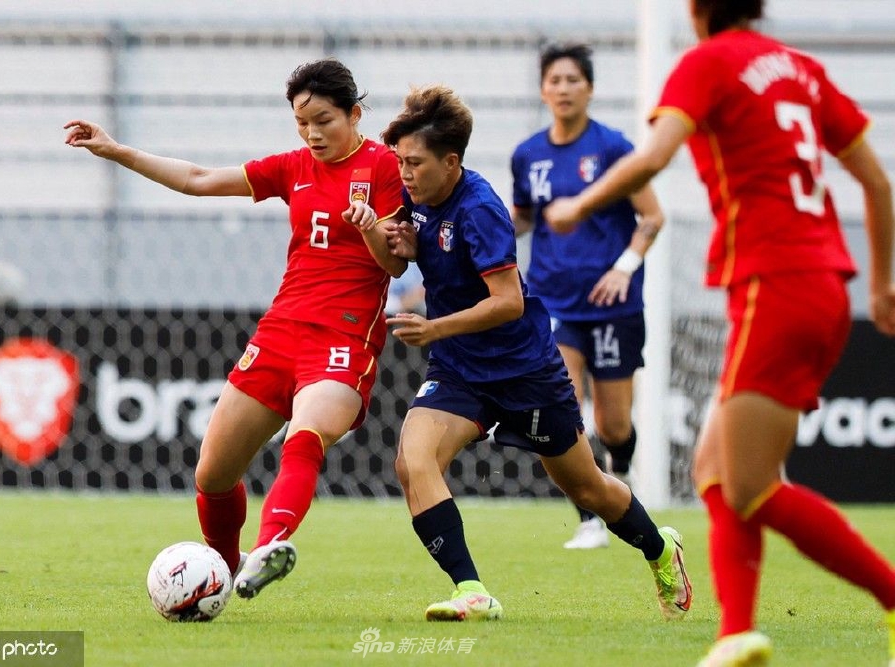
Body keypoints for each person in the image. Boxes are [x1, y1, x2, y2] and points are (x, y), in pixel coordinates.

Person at [543, 1, 895, 664]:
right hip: (822, 285)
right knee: (714, 469)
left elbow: (654, 157)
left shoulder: (707, 62)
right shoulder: (801, 69)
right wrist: (879, 285)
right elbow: (876, 180)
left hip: (775, 281)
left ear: (698, 10)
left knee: (753, 486)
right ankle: (737, 632)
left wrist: (580, 205)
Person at [64, 58, 406, 601]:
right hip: (280, 332)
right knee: (213, 474)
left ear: (355, 113)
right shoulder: (293, 167)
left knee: (307, 432)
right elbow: (199, 180)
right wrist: (117, 150)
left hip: (343, 337)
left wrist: (368, 230)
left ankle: (271, 546)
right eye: (301, 121)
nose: (312, 133)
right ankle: (224, 570)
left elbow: (395, 265)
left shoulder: (385, 167)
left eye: (324, 120)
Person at [380, 85, 692, 622]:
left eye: (414, 162)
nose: (404, 173)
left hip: (524, 371)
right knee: (414, 460)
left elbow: (508, 302)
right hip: (459, 369)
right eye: (399, 161)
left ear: (451, 161)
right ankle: (471, 590)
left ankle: (660, 548)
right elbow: (408, 258)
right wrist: (395, 241)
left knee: (587, 487)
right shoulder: (417, 200)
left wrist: (435, 327)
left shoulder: (480, 210)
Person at [511, 42, 665, 550]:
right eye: (554, 80)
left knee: (613, 422)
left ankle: (620, 481)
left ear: (590, 88)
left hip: (612, 305)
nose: (563, 88)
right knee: (560, 407)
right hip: (552, 300)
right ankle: (589, 519)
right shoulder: (527, 155)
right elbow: (525, 219)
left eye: (573, 79)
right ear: (542, 90)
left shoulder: (614, 149)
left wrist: (625, 268)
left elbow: (652, 217)